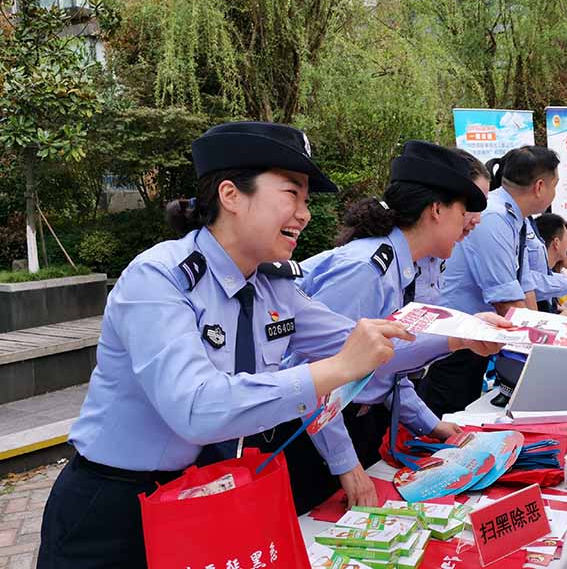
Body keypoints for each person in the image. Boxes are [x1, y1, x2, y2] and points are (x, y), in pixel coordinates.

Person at [35, 122, 489, 568]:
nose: (304, 214)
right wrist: (334, 370)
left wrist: (461, 336)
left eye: (306, 200)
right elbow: (196, 409)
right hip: (115, 508)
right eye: (291, 194)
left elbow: (365, 344)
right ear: (231, 195)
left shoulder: (273, 286)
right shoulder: (159, 279)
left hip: (202, 492)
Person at [292, 140, 502, 508]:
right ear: (436, 210)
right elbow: (317, 375)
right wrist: (346, 465)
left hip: (356, 424)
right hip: (315, 438)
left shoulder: (407, 267)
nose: (471, 222)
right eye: (463, 210)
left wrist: (431, 424)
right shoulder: (366, 271)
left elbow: (385, 367)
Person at [417, 145, 559, 417]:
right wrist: (544, 355)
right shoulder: (494, 217)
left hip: (474, 336)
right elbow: (507, 301)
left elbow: (524, 287)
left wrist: (543, 344)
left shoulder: (516, 219)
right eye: (556, 184)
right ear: (540, 187)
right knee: (445, 415)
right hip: (455, 341)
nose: (473, 220)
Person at [414, 148, 491, 306]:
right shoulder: (376, 266)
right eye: (470, 206)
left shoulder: (438, 252)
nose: (477, 220)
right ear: (438, 207)